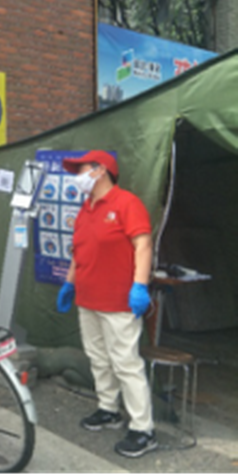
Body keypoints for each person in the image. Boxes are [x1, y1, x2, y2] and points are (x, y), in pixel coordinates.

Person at [56, 150, 157, 458]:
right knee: (98, 358)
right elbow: (78, 252)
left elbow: (143, 244)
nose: (77, 176)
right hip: (88, 299)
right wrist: (70, 283)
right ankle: (108, 409)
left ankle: (143, 429)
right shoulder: (85, 209)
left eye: (81, 169)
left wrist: (140, 286)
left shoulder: (127, 203)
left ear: (100, 170)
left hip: (118, 301)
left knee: (125, 363)